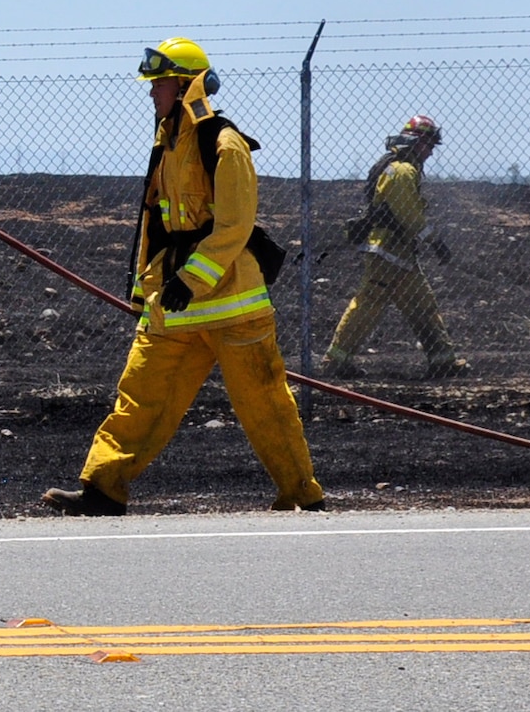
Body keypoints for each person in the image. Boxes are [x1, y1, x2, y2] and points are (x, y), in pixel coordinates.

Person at [42, 38, 326, 516]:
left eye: (159, 84)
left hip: (233, 305)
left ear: (186, 85)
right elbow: (155, 226)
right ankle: (103, 489)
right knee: (140, 394)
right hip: (175, 304)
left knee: (265, 403)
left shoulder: (225, 144)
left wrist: (189, 281)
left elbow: (234, 227)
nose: (152, 92)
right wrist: (145, 293)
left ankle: (302, 496)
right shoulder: (168, 143)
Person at [322, 115, 468, 379]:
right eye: (429, 145)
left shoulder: (399, 168)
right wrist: (435, 242)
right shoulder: (402, 171)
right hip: (386, 253)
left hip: (399, 254)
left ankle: (443, 362)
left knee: (422, 305)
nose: (431, 152)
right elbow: (409, 215)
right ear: (416, 142)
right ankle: (336, 362)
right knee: (368, 306)